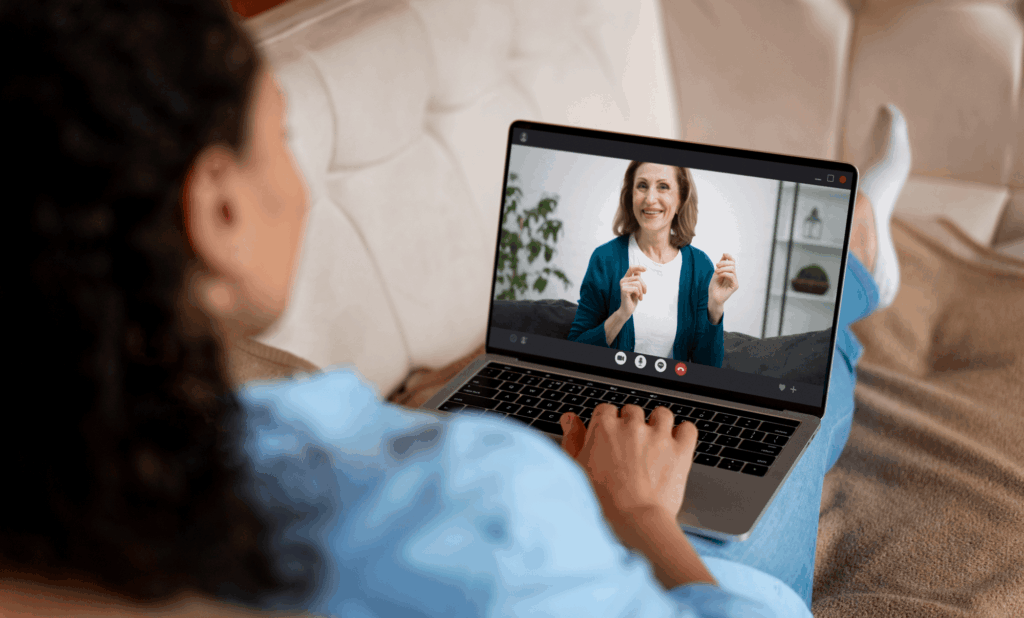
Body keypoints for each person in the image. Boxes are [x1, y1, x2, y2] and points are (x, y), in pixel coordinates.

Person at [0, 0, 911, 615]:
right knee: (791, 403)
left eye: (665, 191)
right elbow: (588, 340)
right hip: (629, 531)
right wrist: (640, 516)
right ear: (218, 210)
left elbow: (708, 344)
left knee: (757, 375)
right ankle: (860, 257)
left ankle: (861, 253)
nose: (652, 199)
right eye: (278, 134)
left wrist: (411, 413)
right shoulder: (489, 493)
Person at [567, 162, 737, 368]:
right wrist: (621, 315)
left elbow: (708, 368)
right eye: (642, 186)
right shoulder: (605, 259)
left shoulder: (700, 267)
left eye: (663, 187)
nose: (650, 199)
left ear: (680, 199)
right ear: (631, 196)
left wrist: (715, 308)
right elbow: (576, 351)